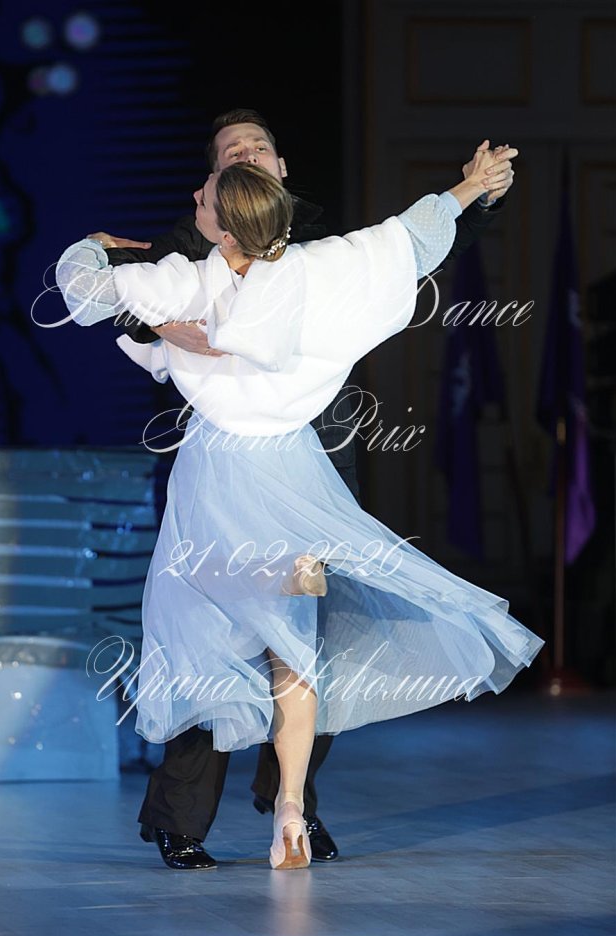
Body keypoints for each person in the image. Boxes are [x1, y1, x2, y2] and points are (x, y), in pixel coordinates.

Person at [56, 150, 543, 870]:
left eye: (205, 196)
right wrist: (470, 184)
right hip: (291, 473)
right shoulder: (320, 269)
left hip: (217, 479)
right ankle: (289, 805)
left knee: (206, 627)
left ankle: (239, 795)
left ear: (225, 230)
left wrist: (94, 246)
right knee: (293, 644)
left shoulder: (186, 279)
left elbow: (82, 290)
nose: (196, 195)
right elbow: (407, 240)